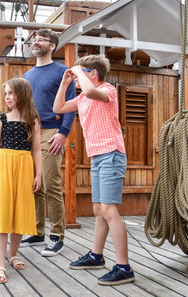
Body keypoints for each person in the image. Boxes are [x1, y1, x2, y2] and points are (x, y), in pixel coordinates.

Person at [53, 54, 135, 286]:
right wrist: (65, 82)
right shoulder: (82, 98)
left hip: (112, 153)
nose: (77, 77)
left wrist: (78, 71)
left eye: (82, 73)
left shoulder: (108, 90)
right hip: (97, 156)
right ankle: (96, 256)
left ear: (93, 74)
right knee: (99, 209)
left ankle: (124, 267)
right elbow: (57, 107)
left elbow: (90, 91)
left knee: (109, 210)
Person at [21, 29, 76, 257]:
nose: (36, 42)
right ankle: (37, 231)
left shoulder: (63, 72)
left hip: (52, 130)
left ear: (52, 45)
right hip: (29, 132)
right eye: (35, 39)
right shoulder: (27, 76)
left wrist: (63, 133)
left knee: (51, 183)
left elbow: (72, 104)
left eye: (41, 40)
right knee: (35, 185)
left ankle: (57, 236)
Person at [0, 78, 42, 284]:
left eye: (11, 93)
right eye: (6, 93)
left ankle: (13, 253)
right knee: (2, 212)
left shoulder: (33, 119)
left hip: (25, 167)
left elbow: (36, 149)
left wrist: (38, 174)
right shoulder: (1, 119)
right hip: (4, 166)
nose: (7, 97)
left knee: (20, 212)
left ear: (22, 94)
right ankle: (0, 264)